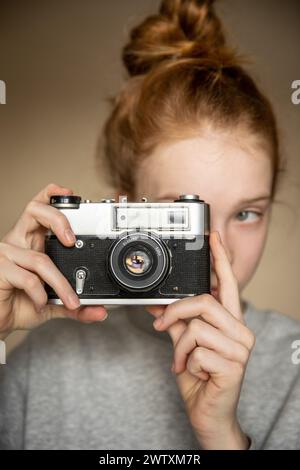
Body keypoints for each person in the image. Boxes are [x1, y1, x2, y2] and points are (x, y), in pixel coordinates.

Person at [0, 0, 300, 450]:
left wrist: (223, 438)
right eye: (180, 219)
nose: (216, 251)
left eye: (246, 213)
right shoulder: (40, 362)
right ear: (123, 211)